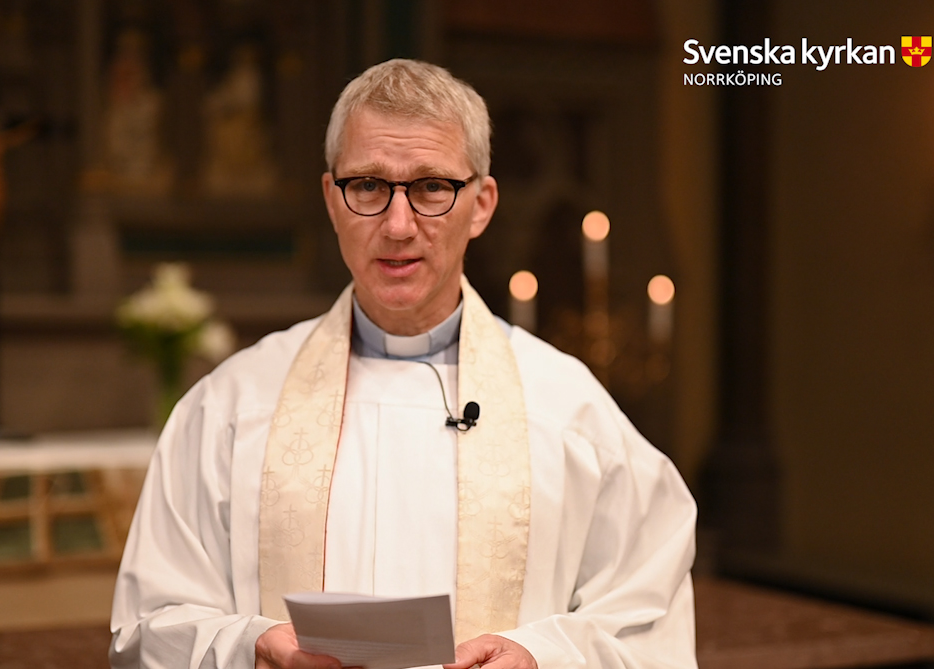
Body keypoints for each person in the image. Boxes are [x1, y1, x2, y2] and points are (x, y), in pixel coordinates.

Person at [110, 59, 698, 669]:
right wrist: (251, 647)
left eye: (431, 187)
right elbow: (150, 624)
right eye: (368, 185)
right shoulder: (232, 405)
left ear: (481, 205)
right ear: (331, 199)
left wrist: (538, 657)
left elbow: (646, 620)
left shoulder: (569, 411)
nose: (397, 226)